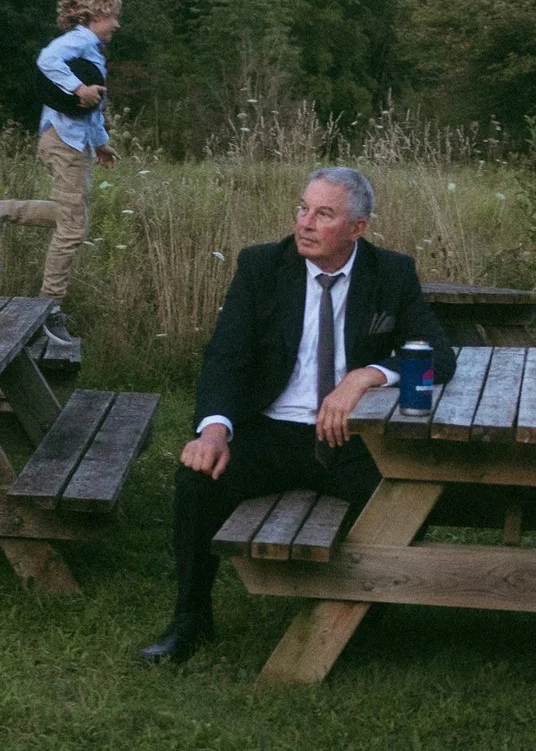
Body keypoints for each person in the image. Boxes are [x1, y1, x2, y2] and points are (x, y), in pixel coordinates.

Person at [139, 166, 456, 665]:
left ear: (357, 228)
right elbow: (226, 356)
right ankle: (190, 619)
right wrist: (216, 429)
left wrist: (365, 376)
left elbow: (439, 353)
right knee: (196, 480)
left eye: (324, 214)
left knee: (403, 491)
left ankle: (369, 611)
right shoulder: (263, 267)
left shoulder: (390, 273)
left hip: (349, 435)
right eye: (302, 209)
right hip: (269, 429)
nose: (305, 223)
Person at [0, 0, 121, 329]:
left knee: (71, 219)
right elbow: (47, 59)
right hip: (64, 141)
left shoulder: (90, 49)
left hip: (72, 140)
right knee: (72, 229)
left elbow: (93, 107)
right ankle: (48, 309)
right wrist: (77, 87)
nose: (117, 24)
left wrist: (100, 141)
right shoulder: (80, 39)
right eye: (113, 16)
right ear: (96, 14)